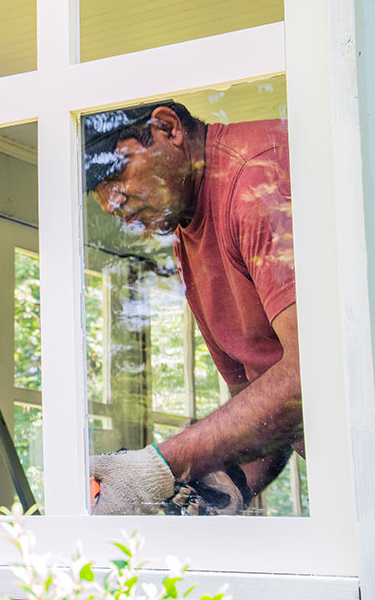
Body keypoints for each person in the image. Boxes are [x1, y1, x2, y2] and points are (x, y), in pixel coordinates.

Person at [84, 101, 302, 516]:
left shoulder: (257, 182)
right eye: (99, 193)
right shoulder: (187, 232)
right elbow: (261, 405)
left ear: (167, 128)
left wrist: (158, 467)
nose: (111, 205)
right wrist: (220, 486)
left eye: (113, 174)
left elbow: (316, 374)